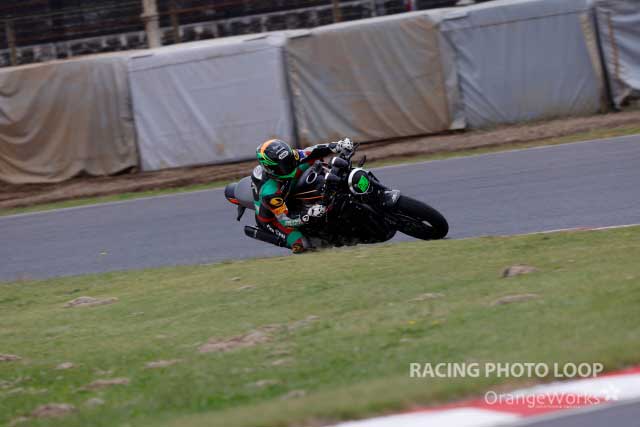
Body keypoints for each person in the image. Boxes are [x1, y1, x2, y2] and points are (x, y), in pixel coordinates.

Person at [252, 138, 353, 253]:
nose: (289, 166)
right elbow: (285, 220)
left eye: (289, 161)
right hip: (273, 218)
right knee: (303, 244)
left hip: (288, 188)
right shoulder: (270, 192)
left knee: (313, 159)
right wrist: (308, 215)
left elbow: (313, 150)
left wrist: (337, 145)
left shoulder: (292, 157)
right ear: (270, 169)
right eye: (283, 165)